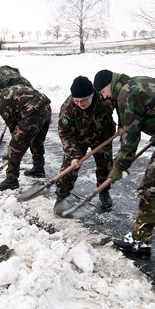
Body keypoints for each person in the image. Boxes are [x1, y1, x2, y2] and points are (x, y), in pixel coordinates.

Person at [93, 69, 155, 255]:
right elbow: (151, 109)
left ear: (109, 85)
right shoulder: (135, 82)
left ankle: (141, 241)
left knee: (149, 187)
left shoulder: (125, 95)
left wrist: (119, 167)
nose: (104, 96)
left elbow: (131, 139)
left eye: (102, 92)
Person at [54, 76, 116, 214]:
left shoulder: (105, 99)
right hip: (78, 139)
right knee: (69, 168)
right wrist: (74, 155)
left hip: (102, 136)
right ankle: (61, 196)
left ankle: (104, 191)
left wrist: (124, 124)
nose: (81, 104)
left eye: (84, 100)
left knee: (105, 166)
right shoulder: (68, 109)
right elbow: (65, 134)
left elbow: (122, 106)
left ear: (92, 94)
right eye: (77, 101)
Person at [0, 83, 51, 191]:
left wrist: (18, 145)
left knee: (15, 146)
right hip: (45, 107)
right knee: (36, 140)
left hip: (33, 112)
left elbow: (13, 126)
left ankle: (11, 180)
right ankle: (38, 168)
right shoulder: (8, 90)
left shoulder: (2, 102)